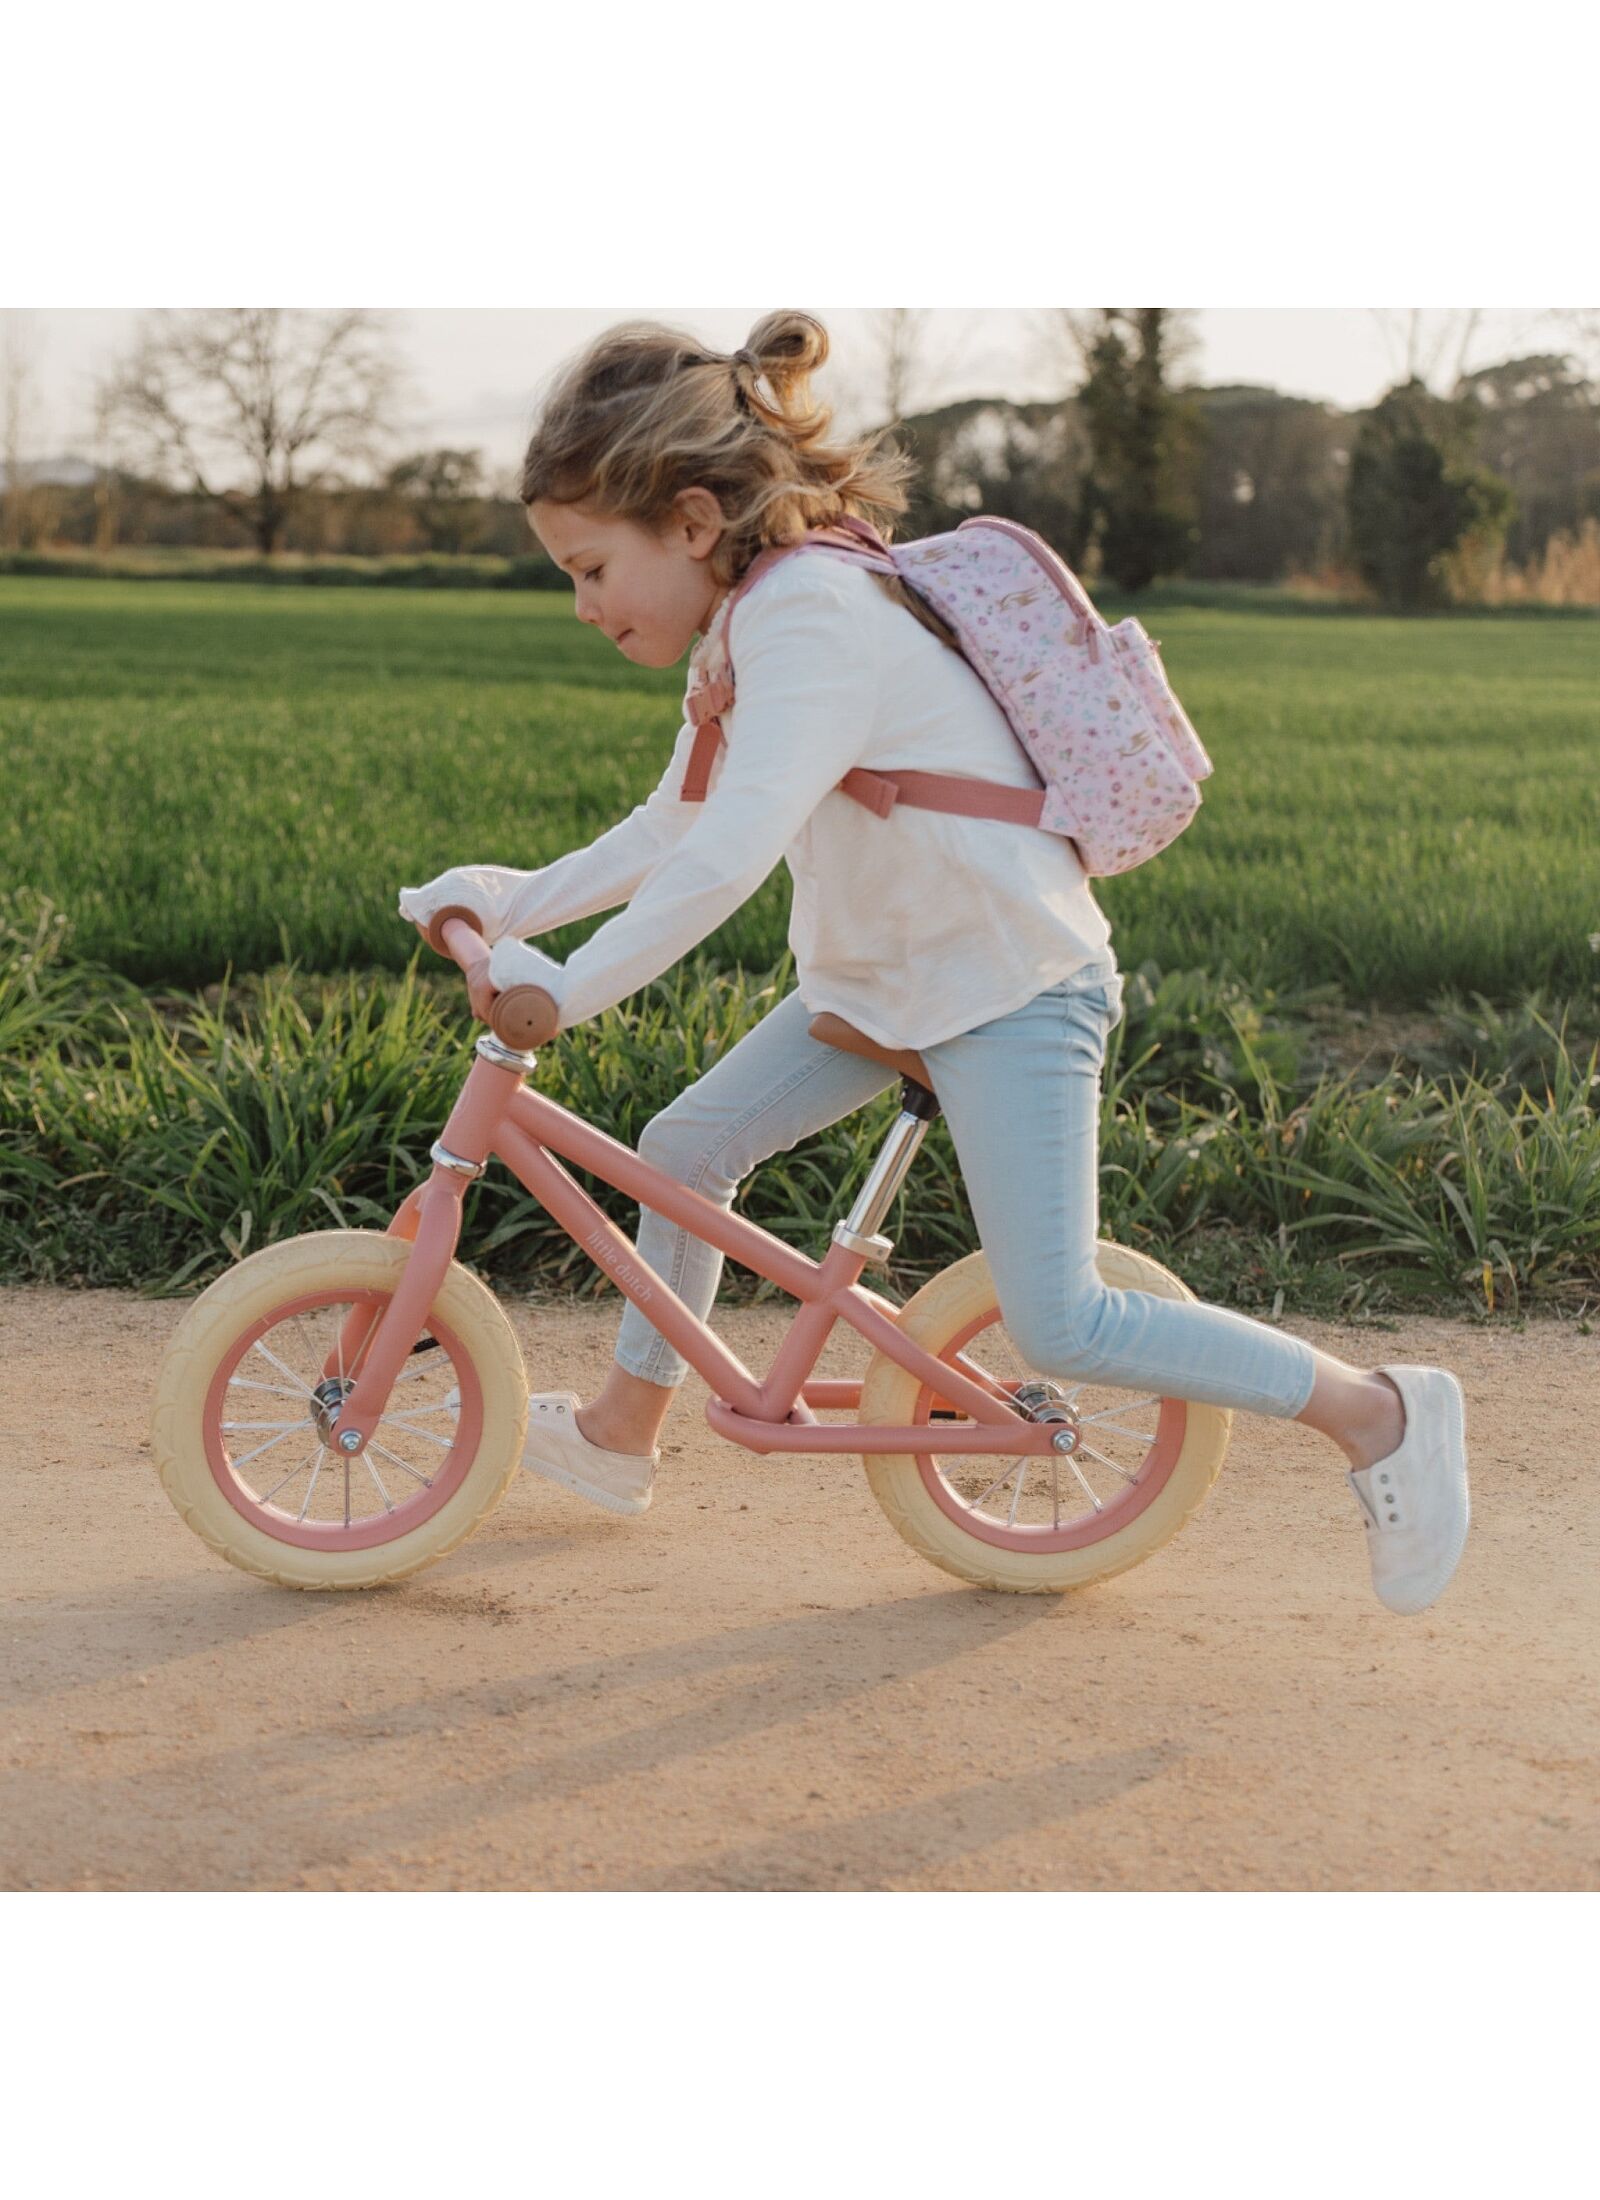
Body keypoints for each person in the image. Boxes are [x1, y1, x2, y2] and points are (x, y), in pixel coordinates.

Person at [399, 312, 1469, 1615]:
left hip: (1014, 985)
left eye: (588, 569)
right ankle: (623, 1432)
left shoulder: (811, 615)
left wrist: (566, 985)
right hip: (876, 986)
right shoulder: (749, 622)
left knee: (1063, 1320)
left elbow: (728, 856)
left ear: (688, 522)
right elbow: (671, 823)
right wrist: (511, 900)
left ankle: (1381, 1415)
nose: (581, 606)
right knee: (684, 1154)